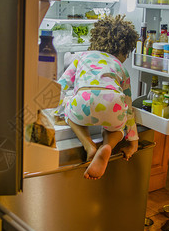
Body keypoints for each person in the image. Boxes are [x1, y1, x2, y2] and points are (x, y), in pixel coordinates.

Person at [56, 14, 139, 180]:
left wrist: (58, 111)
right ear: (124, 50)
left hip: (83, 103)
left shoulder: (81, 57)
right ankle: (107, 145)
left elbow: (61, 86)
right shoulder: (121, 69)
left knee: (68, 111)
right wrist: (133, 143)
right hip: (113, 106)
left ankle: (89, 146)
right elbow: (128, 108)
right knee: (116, 129)